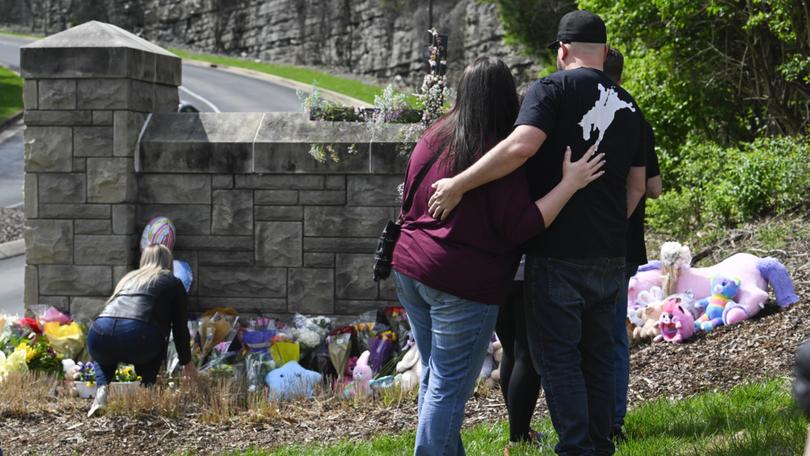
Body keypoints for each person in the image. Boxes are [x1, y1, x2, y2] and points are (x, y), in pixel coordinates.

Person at [427, 10, 647, 455]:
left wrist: (458, 183)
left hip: (556, 254)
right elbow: (639, 186)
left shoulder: (551, 89)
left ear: (562, 50)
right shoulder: (629, 104)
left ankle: (577, 446)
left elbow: (522, 146)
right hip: (609, 255)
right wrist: (607, 229)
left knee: (559, 357)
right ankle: (599, 445)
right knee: (601, 356)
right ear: (604, 53)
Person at [391, 56, 605, 456]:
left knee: (436, 377)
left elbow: (409, 196)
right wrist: (570, 183)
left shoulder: (433, 136)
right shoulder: (498, 153)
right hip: (461, 282)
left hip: (409, 269)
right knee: (448, 385)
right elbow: (520, 226)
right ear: (508, 98)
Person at [602, 46, 662, 442]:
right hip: (623, 242)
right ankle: (614, 423)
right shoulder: (635, 114)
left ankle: (590, 423)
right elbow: (653, 188)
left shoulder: (583, 111)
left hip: (585, 238)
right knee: (612, 333)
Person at [86, 243, 196, 417]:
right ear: (169, 261)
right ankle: (147, 388)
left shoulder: (129, 278)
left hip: (98, 333)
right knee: (158, 331)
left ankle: (102, 391)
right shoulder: (172, 282)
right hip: (138, 336)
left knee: (104, 351)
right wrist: (186, 362)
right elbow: (179, 327)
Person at [496, 83, 546, 454]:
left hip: (494, 262)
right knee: (528, 351)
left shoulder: (484, 148)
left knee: (510, 348)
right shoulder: (528, 149)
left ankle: (518, 429)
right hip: (527, 259)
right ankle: (519, 434)